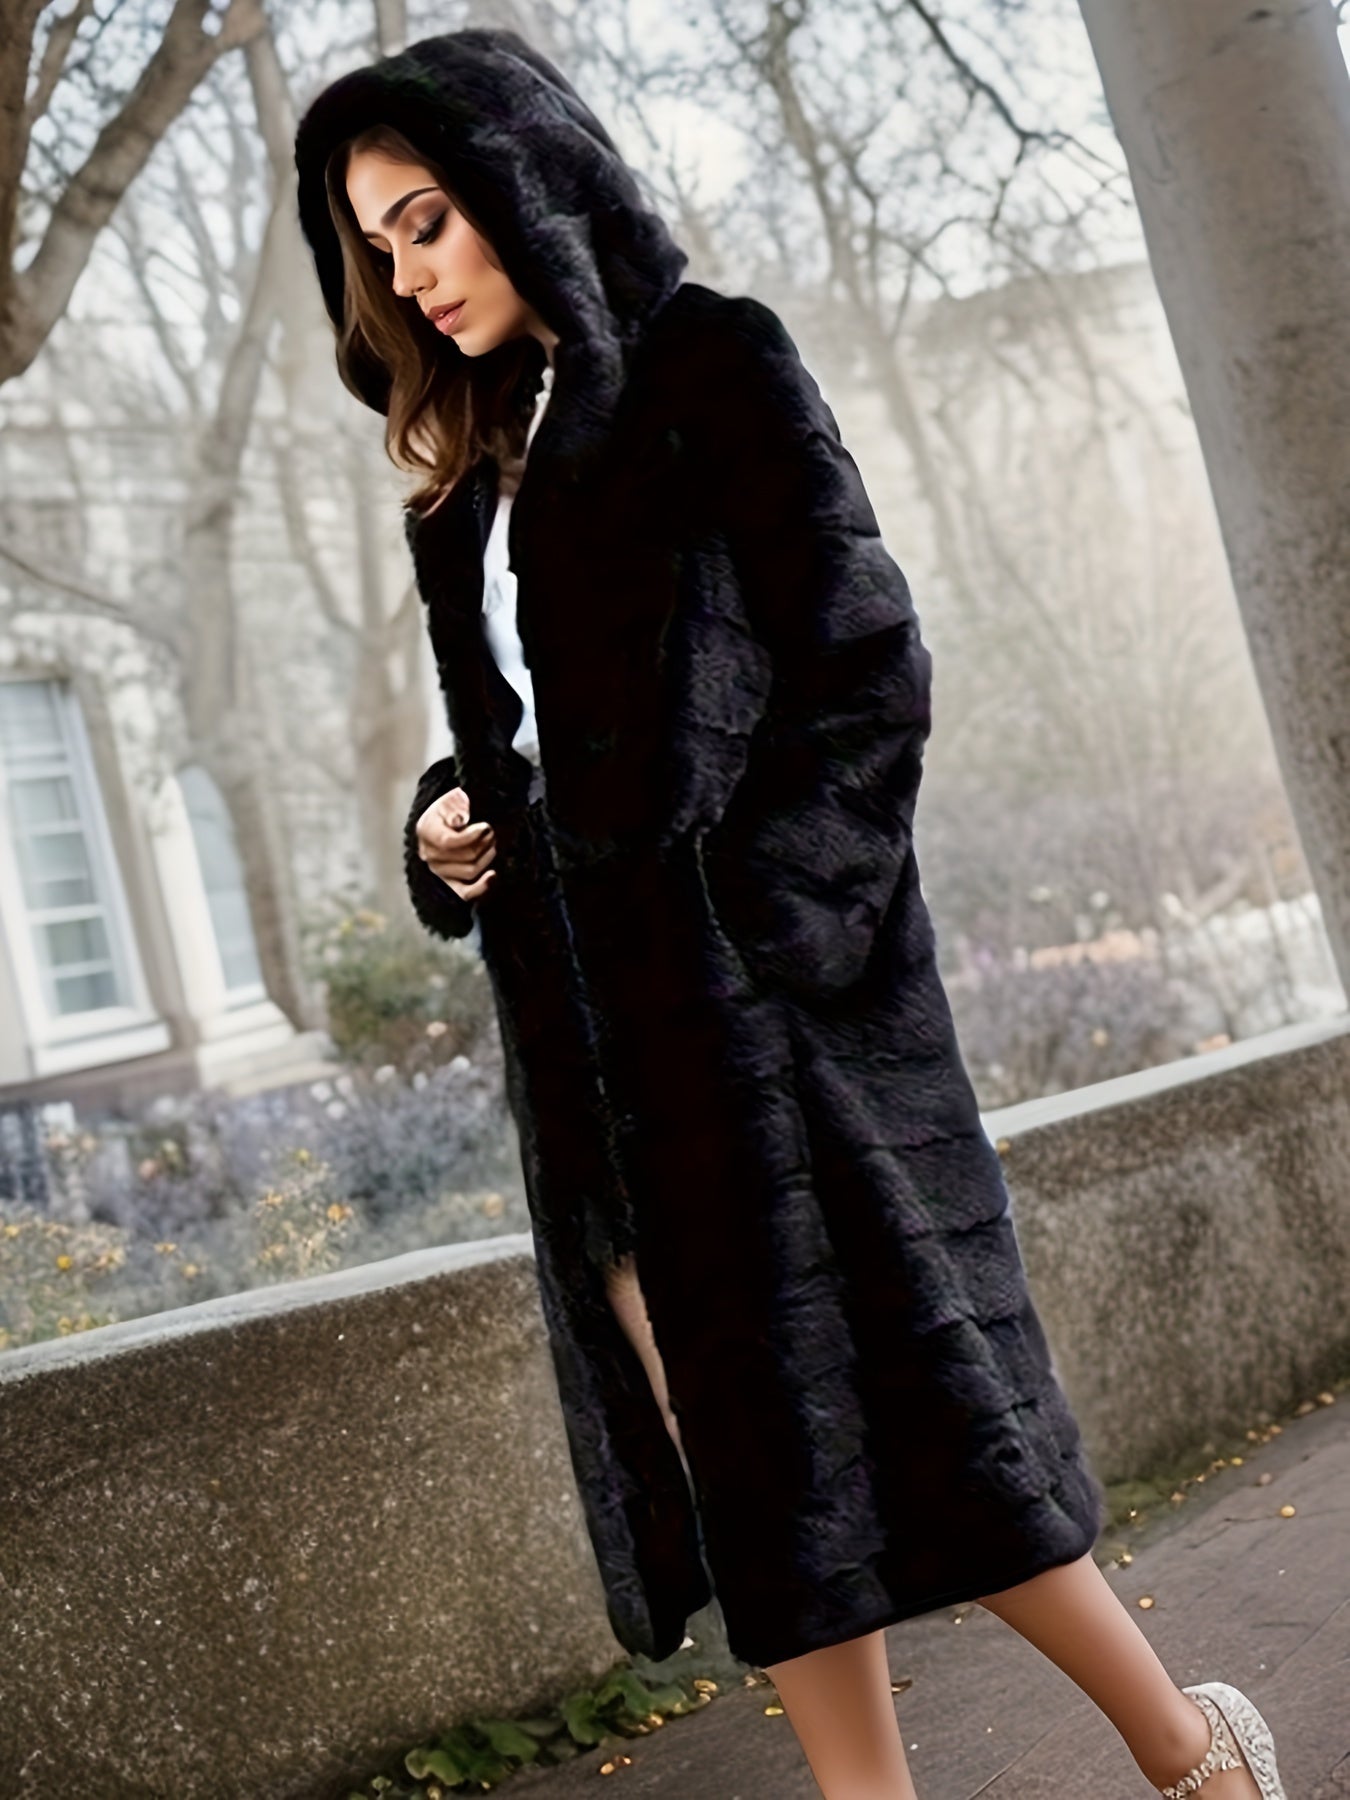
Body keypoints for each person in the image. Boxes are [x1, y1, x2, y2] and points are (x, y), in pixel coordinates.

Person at [293, 29, 1284, 1800]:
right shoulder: (469, 482)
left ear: (530, 178)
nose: (407, 275)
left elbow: (864, 667)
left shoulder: (711, 365)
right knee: (747, 1463)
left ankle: (1188, 1747)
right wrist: (453, 823)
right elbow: (537, 746)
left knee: (931, 1430)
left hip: (764, 1029)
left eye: (426, 220)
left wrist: (770, 928)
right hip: (598, 1068)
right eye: (376, 249)